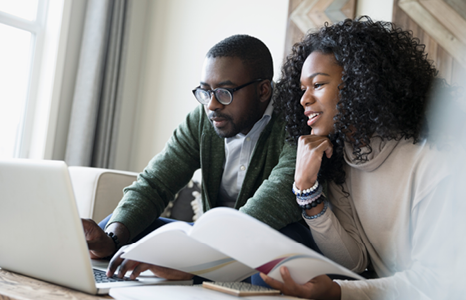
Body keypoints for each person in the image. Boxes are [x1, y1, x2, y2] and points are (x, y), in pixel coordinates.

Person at [82, 34, 316, 281]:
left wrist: (197, 260)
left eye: (224, 92)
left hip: (276, 234)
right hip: (212, 237)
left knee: (266, 270)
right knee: (117, 227)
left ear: (263, 90)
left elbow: (277, 199)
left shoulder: (297, 116)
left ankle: (205, 272)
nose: (212, 105)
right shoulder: (203, 120)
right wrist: (113, 239)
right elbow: (156, 183)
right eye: (205, 92)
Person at [260, 17, 459, 299]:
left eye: (317, 84)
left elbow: (436, 284)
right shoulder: (344, 158)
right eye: (302, 89)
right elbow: (354, 260)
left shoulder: (432, 162)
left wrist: (336, 291)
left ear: (359, 82)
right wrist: (306, 189)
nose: (303, 99)